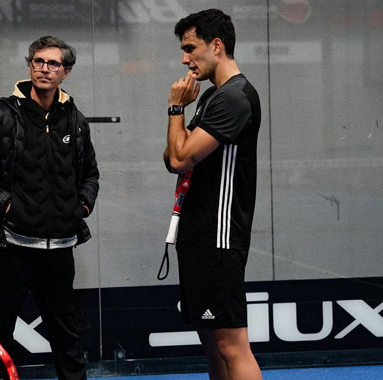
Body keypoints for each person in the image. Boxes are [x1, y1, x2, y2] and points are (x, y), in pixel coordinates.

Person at [0, 36, 99, 380]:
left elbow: (91, 174)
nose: (44, 68)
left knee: (65, 335)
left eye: (53, 64)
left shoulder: (76, 120)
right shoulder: (3, 113)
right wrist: (4, 206)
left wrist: (80, 204)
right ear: (29, 65)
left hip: (60, 248)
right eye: (38, 61)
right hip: (12, 246)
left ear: (65, 72)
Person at [162, 9, 263, 380]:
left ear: (216, 46)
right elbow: (176, 154)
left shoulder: (234, 98)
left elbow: (177, 157)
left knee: (231, 346)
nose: (184, 58)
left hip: (217, 238)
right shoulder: (213, 98)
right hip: (198, 235)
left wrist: (175, 107)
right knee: (212, 344)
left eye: (190, 48)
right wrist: (181, 117)